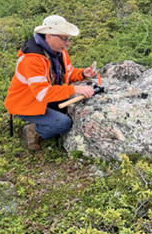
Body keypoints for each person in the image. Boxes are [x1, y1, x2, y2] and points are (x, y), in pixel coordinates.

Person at [5, 14, 99, 151]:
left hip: (43, 98)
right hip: (26, 103)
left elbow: (68, 73)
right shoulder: (32, 60)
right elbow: (42, 94)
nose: (67, 44)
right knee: (63, 123)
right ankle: (32, 130)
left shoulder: (59, 52)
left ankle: (43, 121)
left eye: (69, 39)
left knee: (70, 106)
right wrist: (74, 89)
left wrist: (83, 74)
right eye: (64, 39)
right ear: (48, 36)